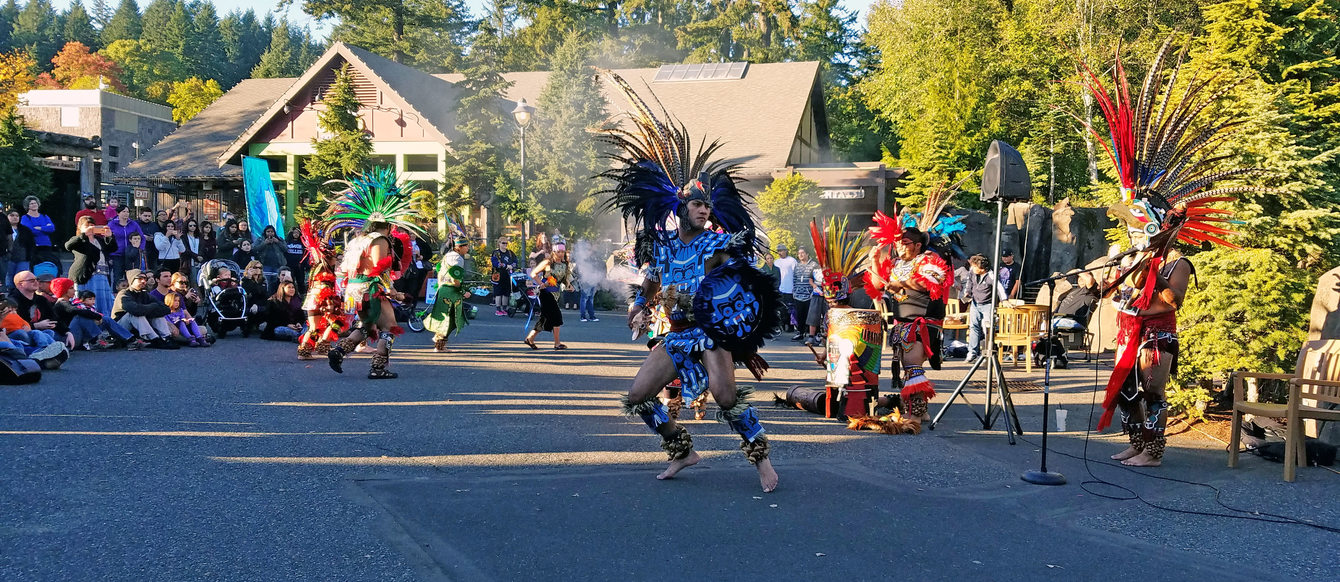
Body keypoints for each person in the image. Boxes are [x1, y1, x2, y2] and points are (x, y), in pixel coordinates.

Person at [1074, 41, 1258, 468]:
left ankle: (1154, 452)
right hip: (1130, 334)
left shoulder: (1178, 263)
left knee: (1152, 390)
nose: (1132, 231)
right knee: (1125, 390)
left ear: (1157, 227)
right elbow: (1115, 289)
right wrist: (1098, 284)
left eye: (1139, 225)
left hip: (1157, 337)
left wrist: (1131, 300)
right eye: (1130, 225)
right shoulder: (1132, 259)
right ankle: (1137, 443)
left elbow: (1168, 300)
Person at [598, 71, 781, 492]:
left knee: (727, 398)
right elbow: (651, 281)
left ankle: (762, 462)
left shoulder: (716, 244)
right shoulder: (661, 245)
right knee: (638, 396)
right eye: (699, 204)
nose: (705, 211)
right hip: (675, 335)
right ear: (682, 207)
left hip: (709, 334)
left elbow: (742, 287)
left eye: (708, 206)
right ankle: (682, 450)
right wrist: (640, 307)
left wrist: (746, 342)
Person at [325, 169, 422, 379]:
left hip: (355, 289)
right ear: (388, 224)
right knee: (390, 327)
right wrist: (393, 292)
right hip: (371, 288)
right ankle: (378, 368)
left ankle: (339, 351)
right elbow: (379, 267)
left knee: (367, 326)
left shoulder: (358, 239)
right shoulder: (380, 239)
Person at [865, 214, 953, 424]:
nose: (900, 247)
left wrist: (903, 284)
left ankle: (916, 413)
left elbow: (931, 282)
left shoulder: (929, 259)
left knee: (913, 364)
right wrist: (876, 261)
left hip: (921, 321)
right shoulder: (894, 263)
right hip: (902, 322)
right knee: (907, 365)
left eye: (904, 243)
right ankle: (917, 409)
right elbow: (879, 285)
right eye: (897, 243)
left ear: (918, 245)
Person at [296, 221, 345, 360]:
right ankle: (322, 344)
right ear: (329, 258)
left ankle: (307, 351)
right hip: (322, 299)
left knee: (314, 327)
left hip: (312, 300)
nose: (336, 260)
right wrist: (329, 303)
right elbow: (324, 287)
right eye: (334, 257)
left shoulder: (316, 268)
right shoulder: (324, 271)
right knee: (338, 321)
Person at [65, 216, 118, 318]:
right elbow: (68, 246)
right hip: (86, 275)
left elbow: (113, 248)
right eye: (87, 226)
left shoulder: (99, 240)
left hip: (102, 275)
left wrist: (109, 236)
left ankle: (104, 321)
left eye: (92, 226)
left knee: (103, 301)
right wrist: (84, 234)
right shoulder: (79, 240)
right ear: (80, 227)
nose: (91, 228)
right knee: (86, 299)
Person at [111, 269, 177, 349]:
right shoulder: (124, 294)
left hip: (136, 328)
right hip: (120, 329)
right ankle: (155, 340)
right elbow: (135, 310)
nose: (143, 281)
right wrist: (153, 306)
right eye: (140, 278)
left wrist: (149, 309)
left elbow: (166, 309)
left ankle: (167, 338)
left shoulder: (144, 294)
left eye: (145, 279)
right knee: (135, 314)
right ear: (132, 280)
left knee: (157, 315)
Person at [426, 235, 471, 352]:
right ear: (459, 247)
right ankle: (439, 344)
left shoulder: (447, 256)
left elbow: (440, 273)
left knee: (445, 318)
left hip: (443, 289)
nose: (468, 249)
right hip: (452, 291)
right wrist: (463, 291)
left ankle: (439, 342)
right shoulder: (458, 259)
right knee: (452, 319)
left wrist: (440, 287)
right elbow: (455, 278)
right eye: (466, 246)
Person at [524, 241, 571, 350]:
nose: (561, 254)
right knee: (557, 317)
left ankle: (530, 339)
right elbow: (533, 273)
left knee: (545, 318)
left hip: (556, 293)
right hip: (546, 293)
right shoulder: (547, 263)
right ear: (554, 252)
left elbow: (563, 279)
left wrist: (569, 285)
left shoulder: (565, 264)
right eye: (559, 251)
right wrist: (541, 284)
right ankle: (557, 343)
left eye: (563, 251)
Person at [959, 254, 1004, 361]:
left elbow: (999, 288)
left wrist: (1004, 300)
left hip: (987, 304)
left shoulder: (990, 275)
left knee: (987, 329)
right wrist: (967, 292)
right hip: (975, 303)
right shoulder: (972, 271)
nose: (973, 268)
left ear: (982, 268)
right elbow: (969, 282)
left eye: (975, 267)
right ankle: (972, 352)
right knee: (974, 327)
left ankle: (988, 351)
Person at [163, 277, 208, 347]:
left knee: (194, 323)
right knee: (180, 323)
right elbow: (168, 322)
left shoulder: (180, 310)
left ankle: (200, 338)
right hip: (175, 330)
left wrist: (187, 319)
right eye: (175, 301)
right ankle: (191, 339)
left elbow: (184, 316)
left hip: (185, 327)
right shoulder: (167, 311)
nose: (177, 303)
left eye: (178, 301)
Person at [107, 205, 142, 287]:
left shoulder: (133, 224)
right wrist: (108, 255)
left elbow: (142, 237)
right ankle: (116, 294)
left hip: (131, 254)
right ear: (118, 213)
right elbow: (106, 240)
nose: (126, 214)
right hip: (117, 254)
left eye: (127, 212)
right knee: (118, 277)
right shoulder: (112, 224)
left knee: (131, 276)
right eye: (123, 211)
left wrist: (139, 249)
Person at [1, 209, 36, 287]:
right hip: (7, 258)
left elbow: (31, 244)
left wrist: (30, 256)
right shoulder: (2, 229)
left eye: (17, 216)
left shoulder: (25, 230)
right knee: (8, 278)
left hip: (23, 258)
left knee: (22, 278)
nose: (15, 217)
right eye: (12, 215)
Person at [21, 196, 57, 268]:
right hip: (33, 246)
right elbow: (30, 231)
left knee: (47, 267)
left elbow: (52, 228)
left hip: (46, 245)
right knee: (35, 267)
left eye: (35, 203)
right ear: (27, 206)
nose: (34, 204)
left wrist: (40, 228)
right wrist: (45, 228)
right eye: (31, 203)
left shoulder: (44, 216)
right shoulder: (25, 218)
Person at [791, 247, 817, 341]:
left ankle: (813, 335)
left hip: (809, 295)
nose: (800, 255)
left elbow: (816, 279)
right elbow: (794, 279)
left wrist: (813, 292)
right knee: (800, 315)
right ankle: (800, 333)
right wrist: (794, 291)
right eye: (799, 253)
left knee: (811, 316)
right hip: (798, 294)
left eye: (802, 253)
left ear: (807, 254)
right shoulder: (797, 266)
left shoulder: (814, 265)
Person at [253, 225, 287, 293]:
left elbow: (285, 249)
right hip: (265, 264)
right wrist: (264, 243)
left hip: (278, 264)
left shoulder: (279, 239)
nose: (270, 233)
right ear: (265, 232)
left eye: (272, 232)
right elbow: (255, 249)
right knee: (267, 282)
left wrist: (278, 242)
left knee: (277, 282)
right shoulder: (260, 239)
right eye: (268, 231)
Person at [490, 235, 517, 316]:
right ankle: (498, 309)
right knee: (498, 292)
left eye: (506, 243)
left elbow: (515, 260)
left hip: (508, 275)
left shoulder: (510, 253)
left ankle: (504, 308)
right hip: (498, 275)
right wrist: (505, 265)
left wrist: (512, 266)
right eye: (503, 243)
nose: (505, 244)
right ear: (499, 243)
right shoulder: (496, 253)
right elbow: (495, 263)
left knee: (506, 292)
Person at [240, 261, 268, 337]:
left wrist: (257, 304)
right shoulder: (244, 280)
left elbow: (263, 294)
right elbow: (247, 294)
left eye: (260, 268)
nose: (258, 269)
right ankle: (247, 326)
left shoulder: (263, 280)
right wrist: (249, 278)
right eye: (255, 267)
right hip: (247, 304)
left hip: (259, 304)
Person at [773, 243, 798, 331]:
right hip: (780, 288)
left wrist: (795, 287)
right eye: (778, 251)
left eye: (781, 251)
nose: (780, 253)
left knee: (790, 308)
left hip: (789, 288)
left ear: (786, 251)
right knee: (781, 308)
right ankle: (783, 324)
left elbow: (796, 274)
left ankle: (791, 325)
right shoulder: (776, 262)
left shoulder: (792, 261)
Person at [284, 227, 306, 294]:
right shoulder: (287, 242)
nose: (296, 234)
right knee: (290, 280)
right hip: (289, 264)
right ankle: (292, 294)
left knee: (300, 281)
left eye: (297, 233)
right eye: (294, 233)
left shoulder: (303, 242)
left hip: (299, 265)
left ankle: (302, 294)